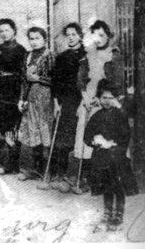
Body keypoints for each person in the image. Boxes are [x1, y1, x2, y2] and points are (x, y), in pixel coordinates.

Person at [74, 20, 126, 185]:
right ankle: (86, 176)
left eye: (102, 35)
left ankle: (106, 176)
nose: (98, 39)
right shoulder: (88, 55)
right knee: (86, 133)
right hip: (89, 98)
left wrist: (102, 97)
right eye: (95, 35)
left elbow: (117, 81)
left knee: (105, 133)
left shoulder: (114, 54)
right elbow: (81, 79)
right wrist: (85, 97)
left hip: (106, 98)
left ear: (108, 36)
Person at [83, 79, 138, 230]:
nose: (106, 101)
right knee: (107, 185)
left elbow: (126, 135)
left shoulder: (120, 116)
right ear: (99, 99)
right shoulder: (96, 116)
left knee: (118, 186)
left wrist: (115, 145)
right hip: (101, 157)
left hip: (117, 156)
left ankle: (118, 213)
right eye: (103, 98)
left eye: (110, 98)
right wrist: (96, 141)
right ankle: (107, 211)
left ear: (115, 99)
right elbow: (87, 136)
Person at [49, 22, 86, 189]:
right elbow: (56, 82)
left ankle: (78, 177)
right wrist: (56, 102)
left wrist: (83, 102)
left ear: (80, 36)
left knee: (80, 138)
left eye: (74, 34)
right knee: (62, 138)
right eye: (68, 35)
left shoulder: (86, 55)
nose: (71, 38)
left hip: (81, 99)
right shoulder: (62, 57)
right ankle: (59, 174)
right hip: (65, 100)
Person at [17, 27, 56, 181]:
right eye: (31, 38)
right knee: (30, 131)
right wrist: (22, 98)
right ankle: (32, 169)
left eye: (37, 38)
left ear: (44, 40)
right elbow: (24, 80)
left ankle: (47, 171)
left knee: (44, 131)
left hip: (45, 98)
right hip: (31, 98)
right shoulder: (28, 55)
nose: (34, 42)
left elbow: (55, 80)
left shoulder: (50, 56)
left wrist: (38, 78)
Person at [0, 18, 26, 175]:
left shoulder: (21, 50)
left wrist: (21, 95)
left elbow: (23, 73)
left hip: (13, 90)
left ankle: (12, 164)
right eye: (1, 30)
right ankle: (0, 161)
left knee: (12, 126)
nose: (4, 33)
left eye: (7, 30)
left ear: (14, 30)